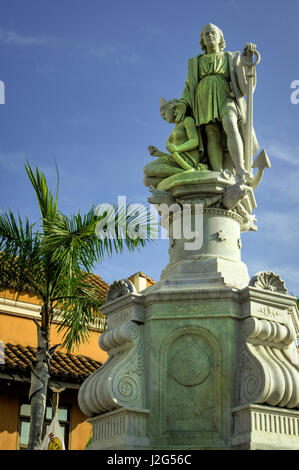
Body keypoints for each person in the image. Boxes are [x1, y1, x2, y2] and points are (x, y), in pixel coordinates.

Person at [175, 23, 259, 180]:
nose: (210, 36)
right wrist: (183, 104)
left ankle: (240, 168)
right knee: (211, 134)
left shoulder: (231, 58)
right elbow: (188, 87)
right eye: (206, 34)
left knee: (230, 124)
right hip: (203, 99)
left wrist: (248, 65)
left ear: (221, 38)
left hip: (226, 96)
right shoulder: (195, 62)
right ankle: (218, 173)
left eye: (213, 33)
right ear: (202, 41)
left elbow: (246, 87)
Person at [143, 98, 207, 188]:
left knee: (147, 169)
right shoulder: (174, 130)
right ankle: (184, 174)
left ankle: (190, 172)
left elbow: (194, 141)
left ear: (171, 107)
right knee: (147, 181)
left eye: (164, 114)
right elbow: (173, 154)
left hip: (188, 159)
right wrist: (159, 153)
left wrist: (177, 148)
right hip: (176, 160)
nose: (164, 118)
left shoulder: (187, 120)